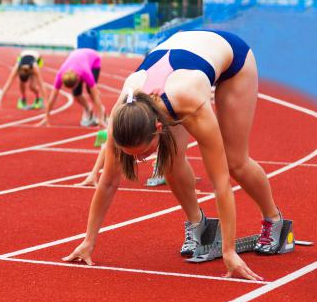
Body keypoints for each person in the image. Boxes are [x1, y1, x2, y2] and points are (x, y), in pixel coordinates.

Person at [63, 30, 285, 281]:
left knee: (235, 162)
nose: (139, 160)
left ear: (159, 128)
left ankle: (273, 219)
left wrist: (229, 251)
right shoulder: (121, 117)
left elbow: (221, 184)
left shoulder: (191, 103)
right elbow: (108, 182)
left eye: (143, 153)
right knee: (169, 163)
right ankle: (197, 223)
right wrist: (88, 241)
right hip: (178, 62)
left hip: (232, 59)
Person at [38, 48, 106, 127]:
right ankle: (88, 109)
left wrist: (100, 118)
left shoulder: (86, 73)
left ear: (78, 79)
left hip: (93, 58)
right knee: (76, 94)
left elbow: (96, 95)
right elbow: (52, 98)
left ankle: (102, 110)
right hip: (77, 57)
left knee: (90, 91)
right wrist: (46, 117)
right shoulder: (60, 75)